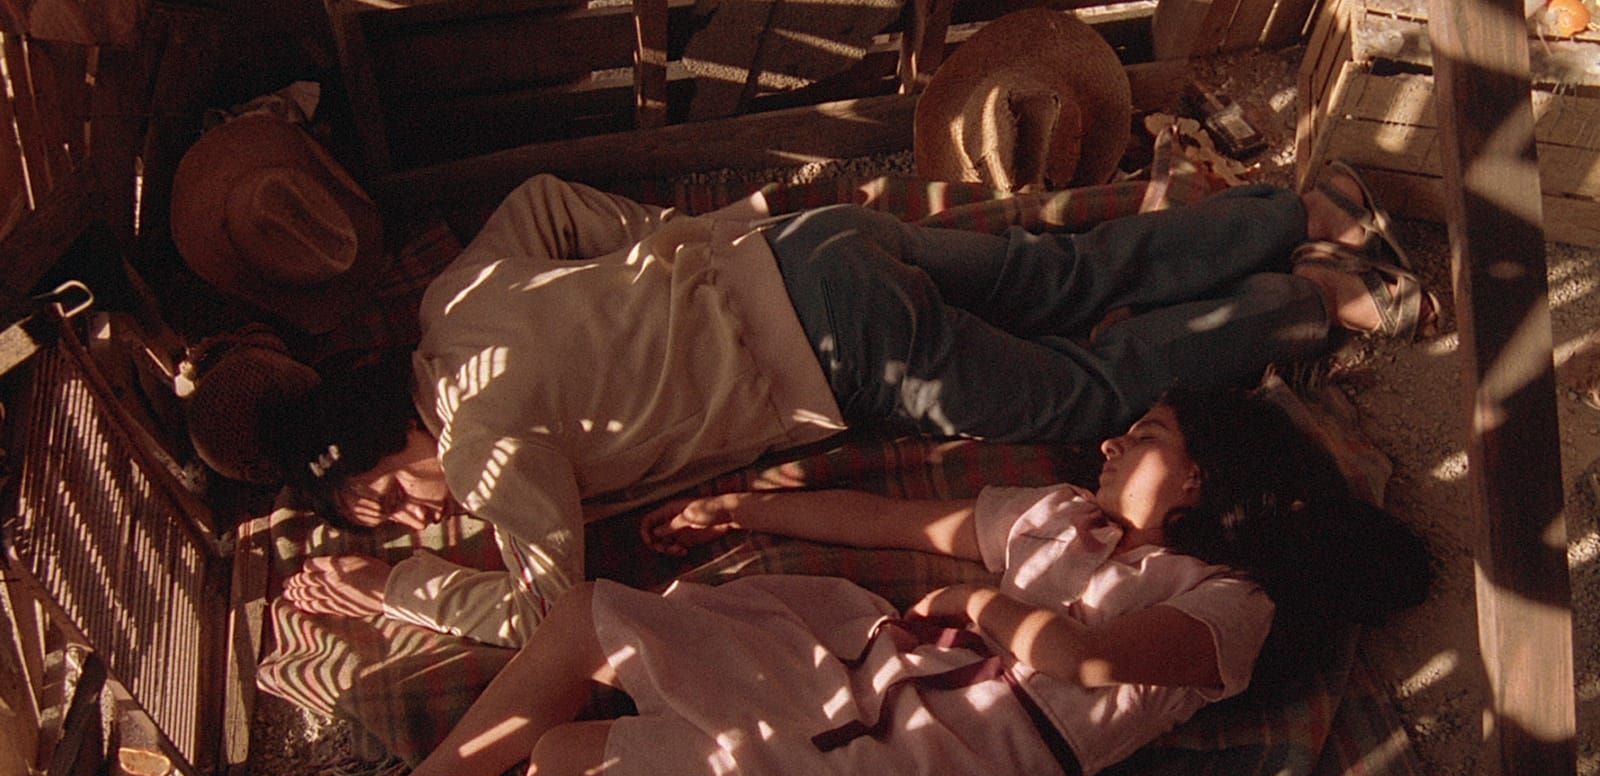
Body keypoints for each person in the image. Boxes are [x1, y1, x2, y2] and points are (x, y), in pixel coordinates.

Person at [238, 386, 1432, 776]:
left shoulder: (1230, 605)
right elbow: (897, 519)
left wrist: (972, 611)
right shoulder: (1057, 518)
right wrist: (748, 509)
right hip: (871, 696)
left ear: (1204, 486)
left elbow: (1085, 660)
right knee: (593, 615)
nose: (1117, 439)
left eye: (1152, 432)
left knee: (566, 765)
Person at [264, 162, 1437, 648]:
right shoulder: (453, 304)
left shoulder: (487, 445)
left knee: (1079, 393)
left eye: (381, 505)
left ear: (380, 455)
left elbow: (543, 612)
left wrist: (397, 591)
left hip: (841, 352)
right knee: (1058, 275)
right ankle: (1292, 213)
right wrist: (674, 257)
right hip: (805, 248)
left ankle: (1316, 303)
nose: (411, 519)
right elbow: (547, 202)